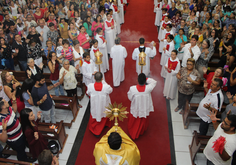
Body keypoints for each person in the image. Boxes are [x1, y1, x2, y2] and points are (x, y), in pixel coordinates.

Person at [127, 73, 157, 140]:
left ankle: (133, 132)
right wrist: (146, 79)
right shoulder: (148, 88)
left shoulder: (132, 89)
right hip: (144, 107)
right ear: (145, 81)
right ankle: (141, 130)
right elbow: (154, 82)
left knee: (135, 119)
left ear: (137, 80)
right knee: (143, 119)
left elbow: (130, 97)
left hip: (136, 108)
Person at [0, 97, 28, 161]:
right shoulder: (1, 121)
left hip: (20, 133)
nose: (7, 101)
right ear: (3, 107)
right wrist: (4, 130)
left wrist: (14, 102)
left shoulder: (8, 108)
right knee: (21, 152)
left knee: (22, 146)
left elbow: (14, 111)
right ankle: (23, 161)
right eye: (5, 102)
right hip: (15, 140)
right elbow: (3, 140)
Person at [87, 72, 112, 136]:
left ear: (94, 78)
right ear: (102, 78)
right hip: (103, 105)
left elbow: (88, 93)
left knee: (95, 114)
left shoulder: (90, 86)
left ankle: (95, 129)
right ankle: (105, 125)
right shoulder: (106, 87)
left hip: (95, 104)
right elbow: (110, 90)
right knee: (104, 113)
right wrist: (103, 82)